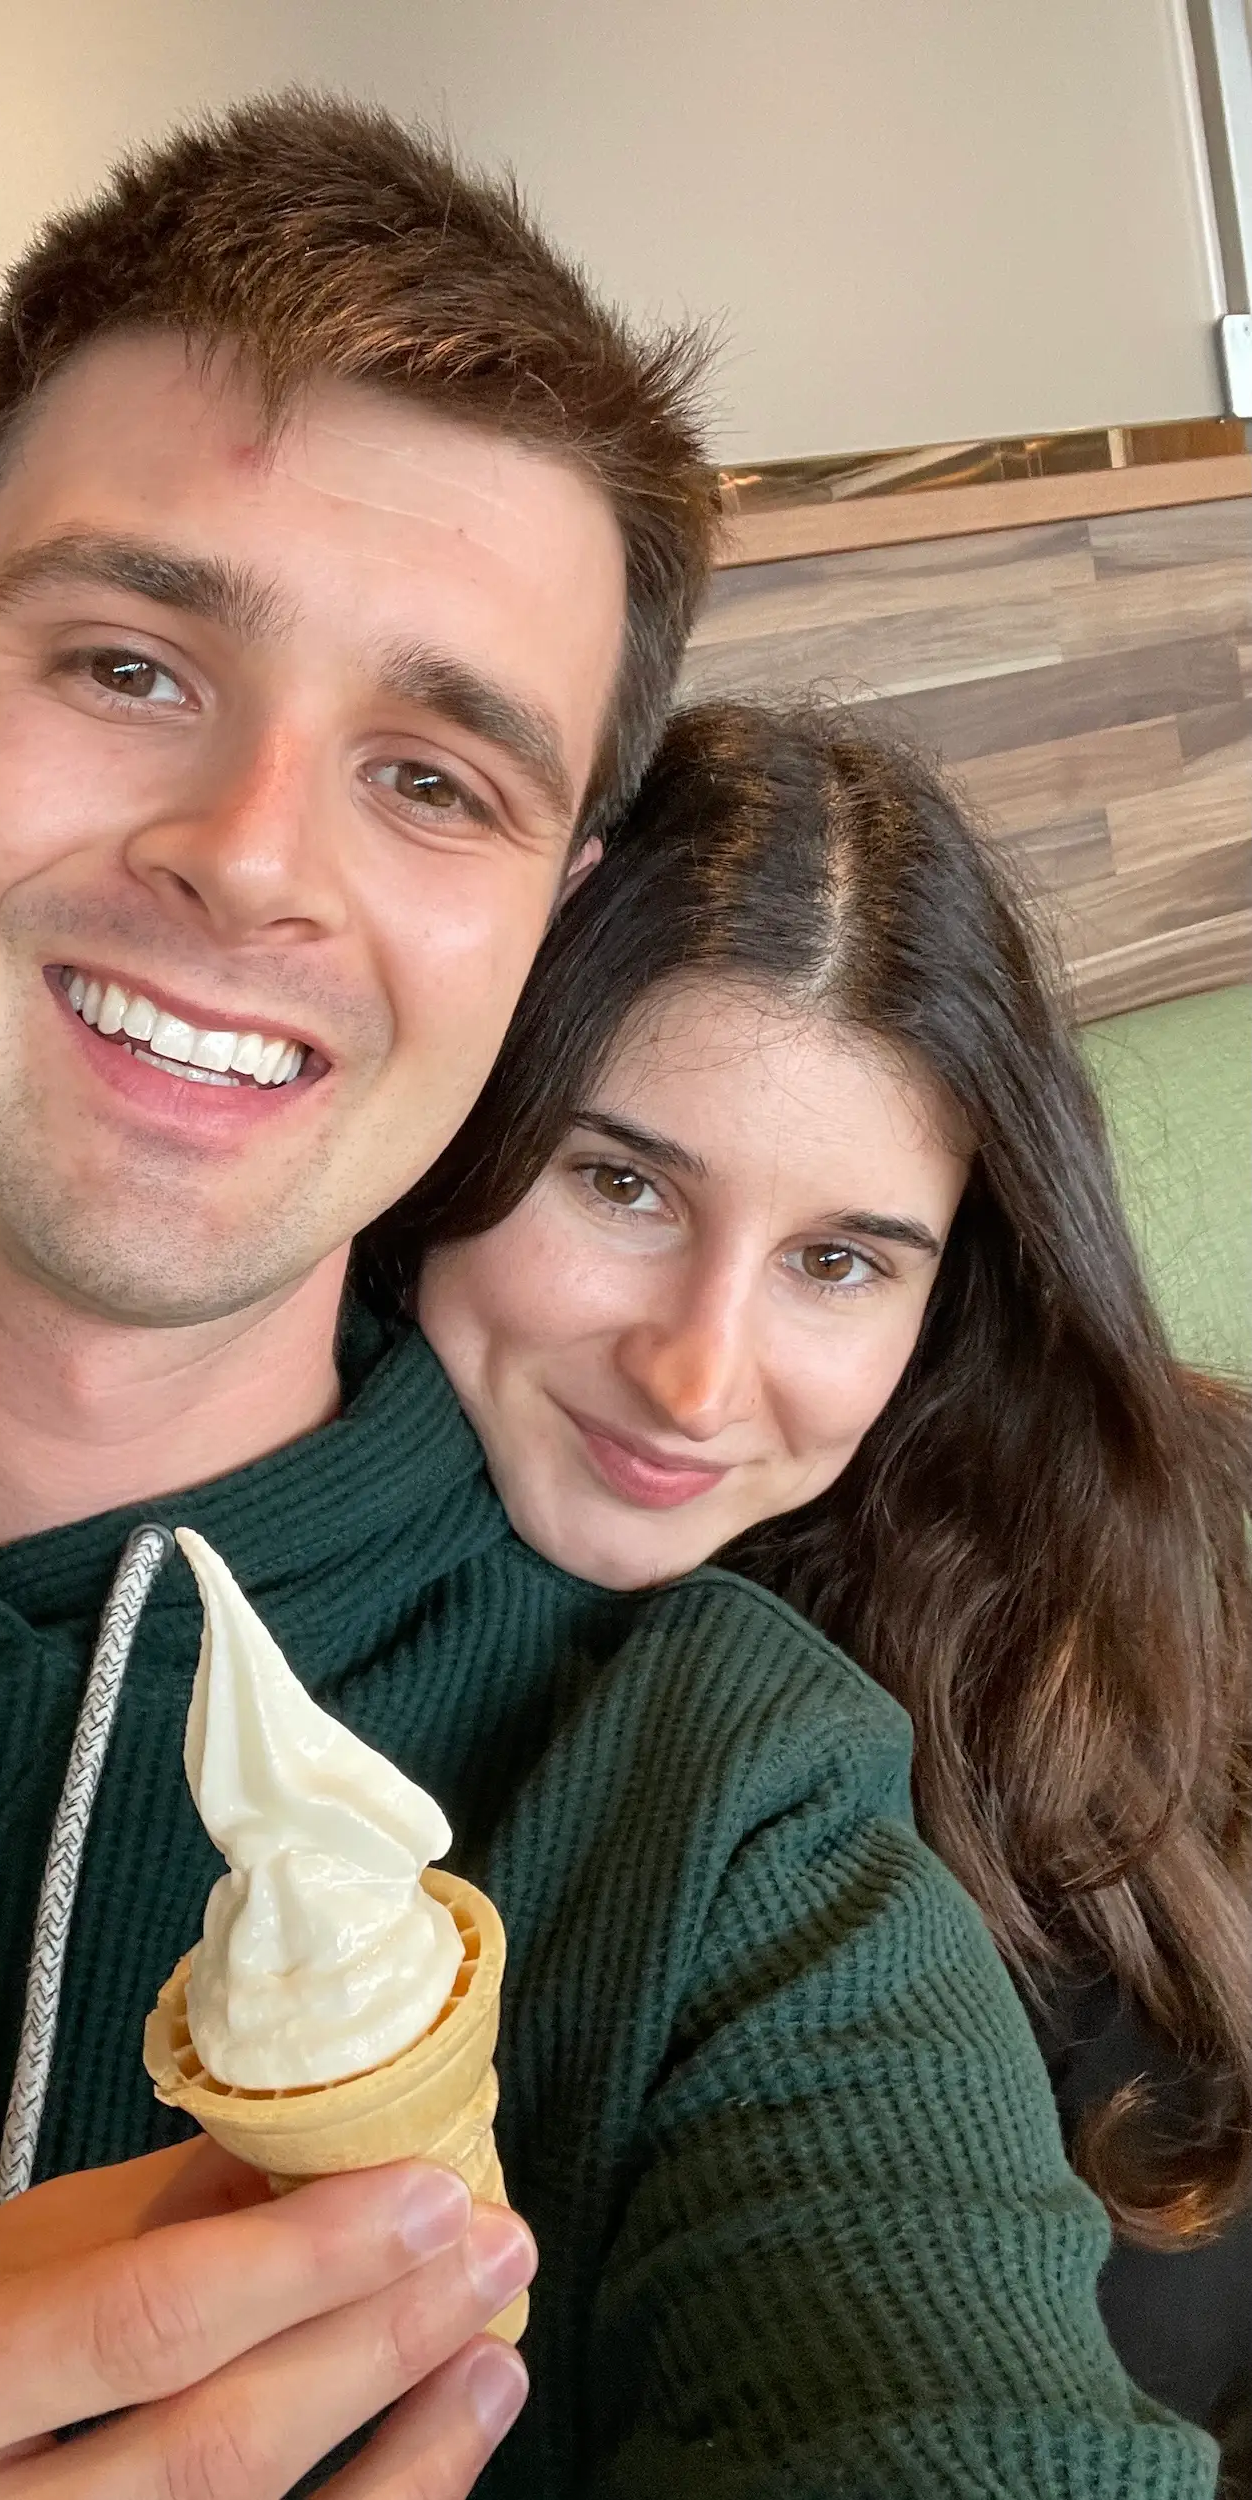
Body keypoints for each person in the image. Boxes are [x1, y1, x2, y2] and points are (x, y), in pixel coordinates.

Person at [0, 99, 1217, 2500]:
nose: (248, 858)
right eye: (132, 662)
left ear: (544, 911)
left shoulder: (723, 1793)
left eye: (431, 776)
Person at [374, 697, 1252, 2472]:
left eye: (837, 1261)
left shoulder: (1182, 1553)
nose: (697, 1378)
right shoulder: (298, 1675)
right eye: (616, 1183)